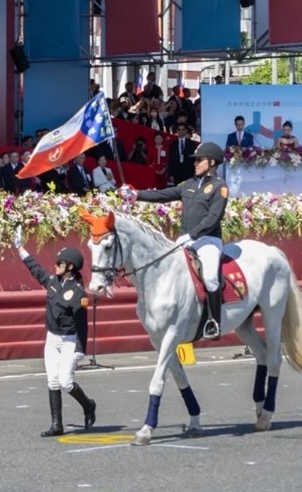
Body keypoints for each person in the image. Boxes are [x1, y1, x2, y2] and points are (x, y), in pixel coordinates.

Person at [120, 141, 229, 339]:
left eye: (200, 160)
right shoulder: (188, 185)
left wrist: (191, 235)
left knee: (211, 277)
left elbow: (214, 218)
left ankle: (214, 322)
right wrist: (136, 195)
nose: (195, 163)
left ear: (212, 162)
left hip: (208, 241)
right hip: (187, 241)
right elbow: (163, 194)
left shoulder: (219, 188)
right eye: (195, 160)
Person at [13, 241, 97, 437]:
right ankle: (57, 425)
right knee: (53, 381)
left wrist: (80, 349)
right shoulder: (52, 281)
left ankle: (88, 404)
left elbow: (81, 324)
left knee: (66, 382)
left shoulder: (78, 293)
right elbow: (35, 269)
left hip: (69, 340)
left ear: (71, 267)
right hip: (52, 338)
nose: (56, 265)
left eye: (60, 262)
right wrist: (20, 249)